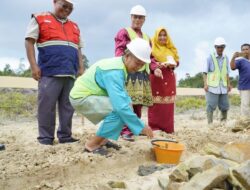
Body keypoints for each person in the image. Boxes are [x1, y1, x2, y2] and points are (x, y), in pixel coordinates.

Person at [69, 38, 154, 156]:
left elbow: (122, 94)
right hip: (81, 98)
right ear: (128, 55)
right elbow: (120, 107)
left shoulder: (121, 65)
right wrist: (141, 126)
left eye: (142, 65)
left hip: (91, 95)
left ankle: (103, 140)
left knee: (125, 106)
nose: (139, 67)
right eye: (137, 63)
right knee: (119, 111)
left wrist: (128, 104)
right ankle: (92, 145)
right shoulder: (114, 71)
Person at [25, 0, 84, 145]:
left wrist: (81, 68)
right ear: (55, 2)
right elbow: (29, 41)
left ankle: (65, 135)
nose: (67, 9)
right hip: (49, 71)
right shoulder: (39, 19)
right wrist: (34, 66)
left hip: (70, 72)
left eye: (70, 8)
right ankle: (46, 137)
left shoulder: (75, 26)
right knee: (46, 105)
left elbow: (79, 49)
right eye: (64, 5)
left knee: (67, 106)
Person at [114, 5, 154, 141]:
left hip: (142, 75)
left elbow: (151, 56)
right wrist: (120, 66)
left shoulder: (147, 37)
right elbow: (119, 51)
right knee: (127, 102)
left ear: (144, 19)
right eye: (135, 17)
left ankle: (135, 128)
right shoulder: (123, 32)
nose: (137, 19)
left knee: (138, 104)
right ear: (131, 17)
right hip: (129, 72)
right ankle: (124, 130)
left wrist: (155, 67)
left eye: (140, 17)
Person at [148, 27, 179, 133]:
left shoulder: (171, 49)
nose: (162, 37)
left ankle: (168, 129)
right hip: (157, 77)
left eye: (164, 35)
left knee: (168, 105)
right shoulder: (151, 48)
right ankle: (155, 128)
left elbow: (177, 61)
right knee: (156, 105)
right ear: (156, 37)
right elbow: (149, 61)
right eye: (160, 35)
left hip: (169, 78)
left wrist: (172, 65)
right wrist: (158, 65)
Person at [203, 37, 231, 124]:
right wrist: (205, 84)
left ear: (224, 47)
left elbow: (227, 73)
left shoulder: (226, 58)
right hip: (212, 87)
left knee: (225, 106)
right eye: (218, 47)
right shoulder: (209, 57)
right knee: (210, 105)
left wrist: (228, 84)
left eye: (222, 47)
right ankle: (210, 124)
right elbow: (205, 72)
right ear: (215, 47)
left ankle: (223, 123)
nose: (220, 49)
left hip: (223, 87)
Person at [230, 43, 250, 119]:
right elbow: (232, 67)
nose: (245, 51)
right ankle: (245, 122)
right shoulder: (240, 60)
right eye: (243, 50)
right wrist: (233, 57)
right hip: (244, 86)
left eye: (247, 49)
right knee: (245, 105)